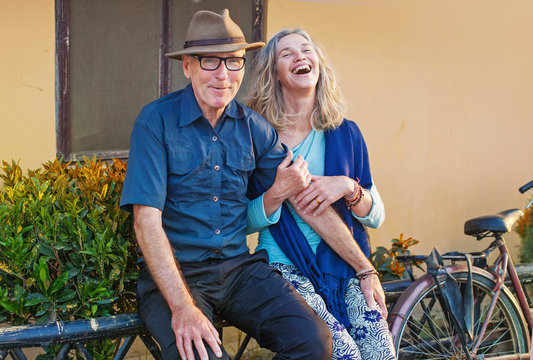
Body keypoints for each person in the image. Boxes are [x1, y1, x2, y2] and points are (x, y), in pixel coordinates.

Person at [120, 11, 333, 360]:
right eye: (210, 62)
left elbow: (303, 189)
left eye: (234, 62)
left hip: (238, 270)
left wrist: (362, 260)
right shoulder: (156, 121)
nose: (223, 75)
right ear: (187, 66)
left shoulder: (254, 128)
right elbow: (146, 221)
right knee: (200, 355)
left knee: (312, 340)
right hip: (178, 273)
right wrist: (183, 308)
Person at [246, 28, 396, 360]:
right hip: (284, 268)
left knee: (381, 353)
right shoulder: (258, 138)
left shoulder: (346, 133)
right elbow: (243, 219)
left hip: (345, 267)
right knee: (343, 354)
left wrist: (347, 187)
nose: (300, 56)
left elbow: (376, 214)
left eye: (306, 50)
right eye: (287, 54)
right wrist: (276, 192)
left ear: (318, 64)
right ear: (275, 74)